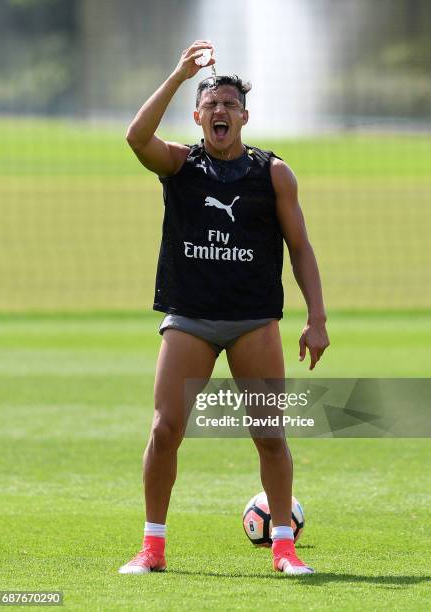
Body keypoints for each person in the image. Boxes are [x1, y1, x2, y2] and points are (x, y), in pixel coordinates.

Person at [118, 40, 329, 576]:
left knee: (270, 434)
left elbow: (300, 248)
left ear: (244, 116)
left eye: (229, 104)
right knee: (166, 429)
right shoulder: (180, 163)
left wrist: (317, 318)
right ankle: (153, 548)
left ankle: (284, 548)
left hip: (253, 319)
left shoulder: (273, 173)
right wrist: (179, 73)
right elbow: (135, 137)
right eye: (210, 103)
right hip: (189, 317)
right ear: (197, 114)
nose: (220, 111)